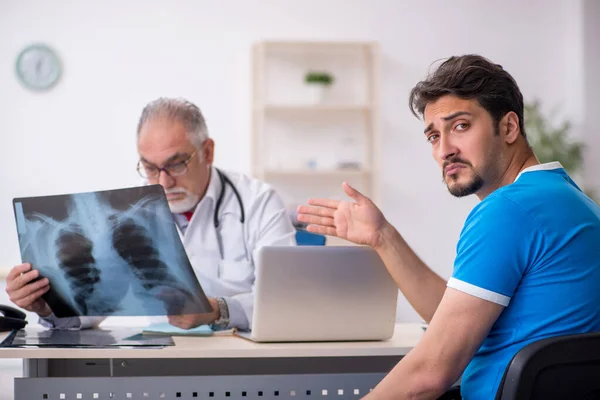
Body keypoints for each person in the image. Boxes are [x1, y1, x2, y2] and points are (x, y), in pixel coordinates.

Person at [297, 54, 600, 399]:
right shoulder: (568, 200)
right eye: (432, 136)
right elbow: (456, 321)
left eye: (460, 126)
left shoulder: (508, 210)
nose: (444, 150)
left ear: (509, 127)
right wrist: (383, 237)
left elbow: (429, 373)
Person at [6, 97, 297, 332]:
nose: (163, 182)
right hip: (161, 357)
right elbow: (96, 305)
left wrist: (218, 310)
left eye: (177, 164)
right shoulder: (127, 212)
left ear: (207, 152)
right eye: (150, 168)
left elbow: (286, 301)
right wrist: (48, 307)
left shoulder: (258, 201)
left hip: (240, 355)